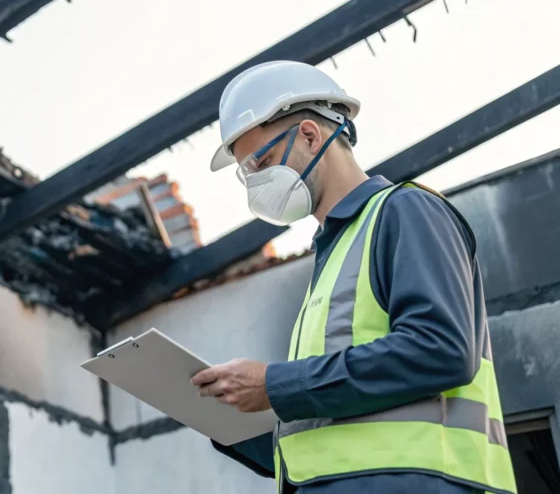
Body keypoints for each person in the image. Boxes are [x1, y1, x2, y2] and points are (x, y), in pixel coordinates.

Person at [190, 60, 516, 494]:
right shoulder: (331, 257)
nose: (255, 182)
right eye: (246, 173)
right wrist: (228, 417)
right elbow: (336, 412)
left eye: (261, 161)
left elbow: (442, 350)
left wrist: (275, 384)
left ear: (309, 134)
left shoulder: (405, 211)